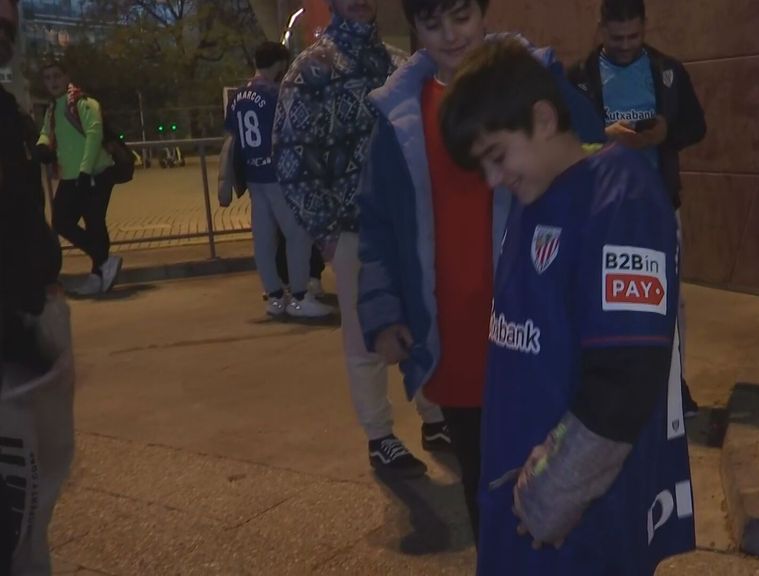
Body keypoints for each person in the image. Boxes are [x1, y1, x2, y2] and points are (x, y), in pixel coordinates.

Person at [440, 40, 695, 574]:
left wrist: (553, 493)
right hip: (523, 516)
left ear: (543, 117)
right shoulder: (535, 198)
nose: (492, 180)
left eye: (496, 156)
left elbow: (624, 380)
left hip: (575, 528)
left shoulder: (619, 195)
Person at [356, 0, 605, 541]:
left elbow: (594, 165)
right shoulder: (399, 111)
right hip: (455, 338)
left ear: (484, 12)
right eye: (431, 23)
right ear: (414, 28)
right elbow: (375, 225)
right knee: (483, 486)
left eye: (461, 16)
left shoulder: (533, 81)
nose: (450, 35)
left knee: (553, 481)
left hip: (537, 334)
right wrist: (382, 309)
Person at [274, 0, 451, 479]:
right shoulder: (310, 69)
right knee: (365, 333)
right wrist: (327, 234)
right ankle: (380, 435)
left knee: (424, 314)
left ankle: (435, 416)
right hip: (350, 227)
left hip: (409, 221)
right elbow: (290, 158)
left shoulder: (398, 63)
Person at [568, 0, 706, 417]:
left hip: (658, 206)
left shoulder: (668, 71)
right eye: (616, 37)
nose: (626, 45)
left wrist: (666, 133)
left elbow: (697, 126)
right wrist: (602, 134)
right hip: (600, 210)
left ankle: (671, 386)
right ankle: (599, 386)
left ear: (645, 26)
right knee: (597, 299)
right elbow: (562, 141)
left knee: (668, 301)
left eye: (634, 36)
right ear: (601, 27)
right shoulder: (578, 78)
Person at [2, 0, 75, 572]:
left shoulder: (8, 109)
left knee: (32, 505)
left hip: (27, 316)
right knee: (17, 515)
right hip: (13, 342)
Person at [226, 41, 332, 318]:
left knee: (263, 239)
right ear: (280, 64)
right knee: (297, 234)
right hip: (278, 175)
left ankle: (274, 296)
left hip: (253, 176)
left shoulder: (238, 95)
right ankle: (299, 296)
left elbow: (234, 137)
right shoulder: (276, 93)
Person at [36, 59, 121, 296]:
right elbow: (45, 133)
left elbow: (94, 135)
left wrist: (84, 170)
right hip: (71, 176)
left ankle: (98, 273)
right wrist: (41, 147)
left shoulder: (84, 103)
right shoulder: (53, 109)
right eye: (47, 78)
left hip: (95, 174)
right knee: (62, 221)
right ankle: (103, 263)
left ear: (66, 77)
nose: (52, 82)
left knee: (94, 223)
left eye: (56, 76)